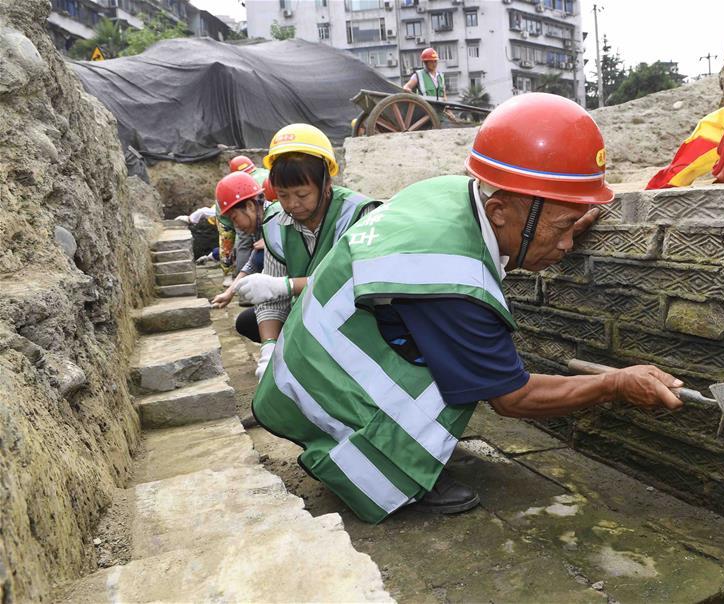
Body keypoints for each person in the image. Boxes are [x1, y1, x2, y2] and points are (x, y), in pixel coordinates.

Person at [251, 93, 685, 525]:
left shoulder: (450, 194)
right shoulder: (451, 280)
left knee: (457, 360)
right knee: (465, 378)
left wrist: (559, 223)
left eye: (572, 226)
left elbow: (491, 245)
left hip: (302, 364)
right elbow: (513, 396)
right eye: (562, 228)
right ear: (499, 210)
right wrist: (615, 385)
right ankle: (382, 469)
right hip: (315, 392)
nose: (568, 244)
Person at [232, 124, 379, 380]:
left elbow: (359, 281)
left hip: (355, 316)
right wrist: (268, 348)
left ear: (326, 182)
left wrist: (286, 286)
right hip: (308, 315)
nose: (292, 204)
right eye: (283, 195)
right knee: (248, 320)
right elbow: (272, 299)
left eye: (302, 194)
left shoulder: (358, 214)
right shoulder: (275, 223)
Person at [209, 171, 267, 342]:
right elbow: (253, 263)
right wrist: (229, 292)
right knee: (244, 321)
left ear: (250, 206)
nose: (236, 226)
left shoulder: (276, 223)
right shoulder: (259, 228)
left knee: (248, 321)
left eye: (235, 218)